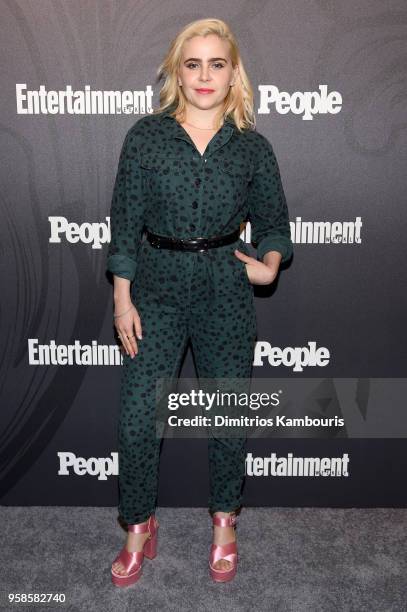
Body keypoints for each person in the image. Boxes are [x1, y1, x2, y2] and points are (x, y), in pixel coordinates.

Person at [107, 18, 293, 587]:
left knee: (228, 419)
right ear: (177, 74)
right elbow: (124, 225)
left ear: (233, 73)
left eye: (217, 63)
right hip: (155, 289)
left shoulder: (252, 147)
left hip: (224, 289)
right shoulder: (145, 136)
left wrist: (270, 263)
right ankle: (139, 528)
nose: (205, 75)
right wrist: (122, 298)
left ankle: (224, 525)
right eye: (193, 64)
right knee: (138, 418)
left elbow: (274, 223)